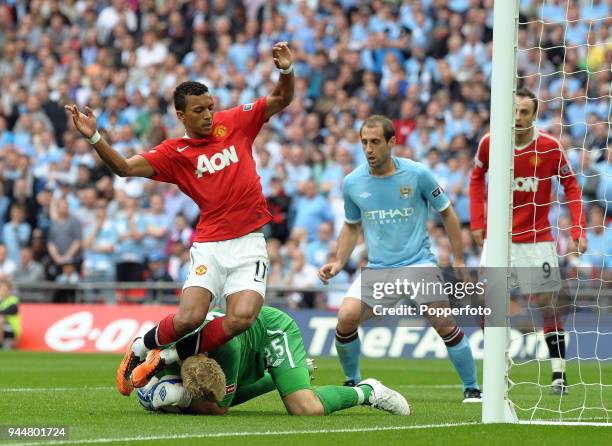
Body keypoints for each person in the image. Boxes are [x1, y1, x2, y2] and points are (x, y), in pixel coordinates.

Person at [65, 42, 295, 396]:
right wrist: (95, 136)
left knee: (242, 318)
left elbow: (281, 99)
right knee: (188, 317)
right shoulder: (175, 154)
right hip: (210, 246)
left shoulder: (236, 122)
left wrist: (285, 71)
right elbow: (124, 168)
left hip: (249, 242)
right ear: (181, 116)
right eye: (199, 110)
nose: (208, 115)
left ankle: (168, 355)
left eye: (210, 107)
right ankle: (141, 348)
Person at [318, 115, 481, 403]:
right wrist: (339, 261)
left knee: (443, 321)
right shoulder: (353, 182)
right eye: (364, 142)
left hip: (418, 263)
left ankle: (472, 387)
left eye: (375, 142)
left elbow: (447, 212)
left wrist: (458, 257)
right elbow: (351, 225)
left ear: (392, 142)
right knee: (345, 318)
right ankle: (353, 383)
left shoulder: (417, 174)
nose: (368, 149)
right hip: (379, 270)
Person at [469, 88, 587, 395]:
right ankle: (499, 370)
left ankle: (559, 374)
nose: (518, 117)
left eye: (524, 112)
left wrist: (579, 229)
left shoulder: (549, 146)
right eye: (514, 111)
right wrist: (478, 222)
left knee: (549, 304)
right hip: (498, 239)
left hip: (537, 240)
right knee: (487, 303)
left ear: (534, 116)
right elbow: (476, 178)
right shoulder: (490, 142)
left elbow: (571, 186)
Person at [136, 306, 410, 416]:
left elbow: (218, 406)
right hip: (241, 343)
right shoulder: (169, 340)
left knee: (305, 408)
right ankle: (281, 376)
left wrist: (179, 400)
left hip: (272, 332)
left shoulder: (227, 351)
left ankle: (367, 391)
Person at [0, 278, 20, 350]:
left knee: (1, 319)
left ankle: (0, 344)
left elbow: (13, 310)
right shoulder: (1, 301)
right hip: (4, 328)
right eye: (1, 289)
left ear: (9, 291)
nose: (2, 291)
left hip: (11, 329)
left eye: (4, 289)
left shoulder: (13, 299)